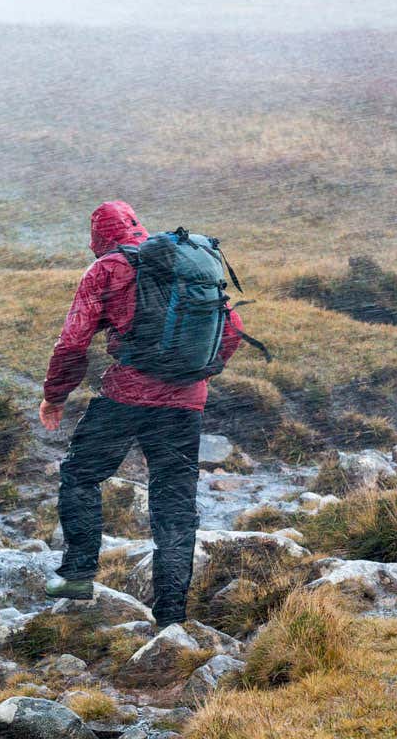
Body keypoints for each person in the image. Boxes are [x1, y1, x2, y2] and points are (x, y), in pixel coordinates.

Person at [39, 200, 243, 627]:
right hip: (185, 404)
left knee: (81, 475)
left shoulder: (107, 269)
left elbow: (73, 343)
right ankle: (171, 615)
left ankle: (77, 575)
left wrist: (55, 396)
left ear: (98, 237)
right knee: (175, 503)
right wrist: (197, 372)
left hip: (125, 398)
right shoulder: (185, 263)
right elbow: (233, 328)